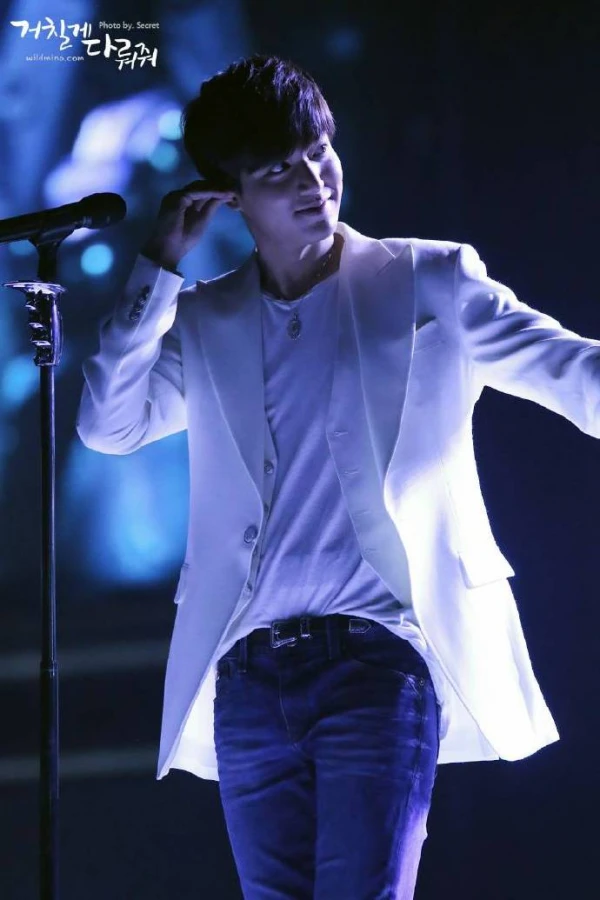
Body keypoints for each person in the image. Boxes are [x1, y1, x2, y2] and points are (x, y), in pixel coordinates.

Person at [76, 54, 599, 899]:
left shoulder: (429, 279)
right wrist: (157, 267)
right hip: (247, 679)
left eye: (319, 150)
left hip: (377, 662)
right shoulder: (207, 316)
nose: (313, 178)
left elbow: (574, 373)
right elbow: (108, 425)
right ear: (229, 196)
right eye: (279, 168)